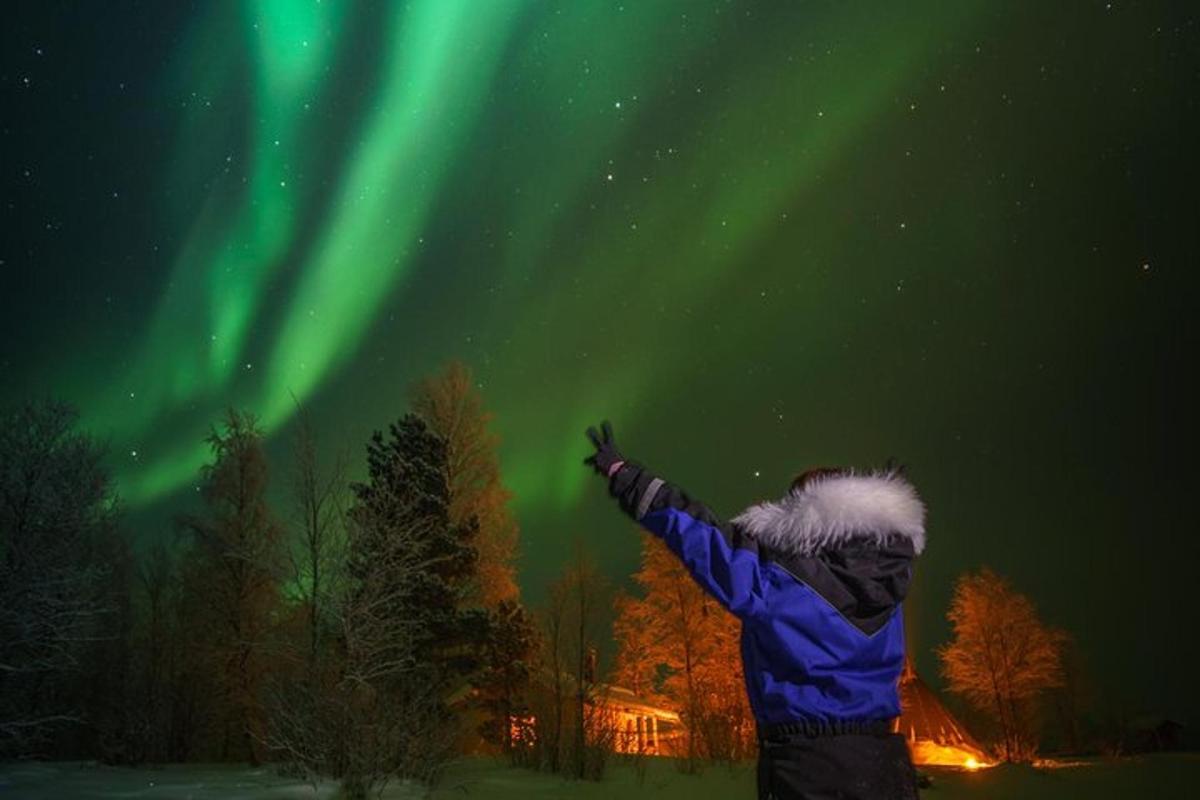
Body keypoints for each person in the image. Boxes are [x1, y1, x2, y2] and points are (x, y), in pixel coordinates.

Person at [584, 421, 924, 800]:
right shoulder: (889, 583)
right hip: (886, 762)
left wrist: (624, 475)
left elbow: (698, 534)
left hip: (809, 765)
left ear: (802, 515)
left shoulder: (778, 580)